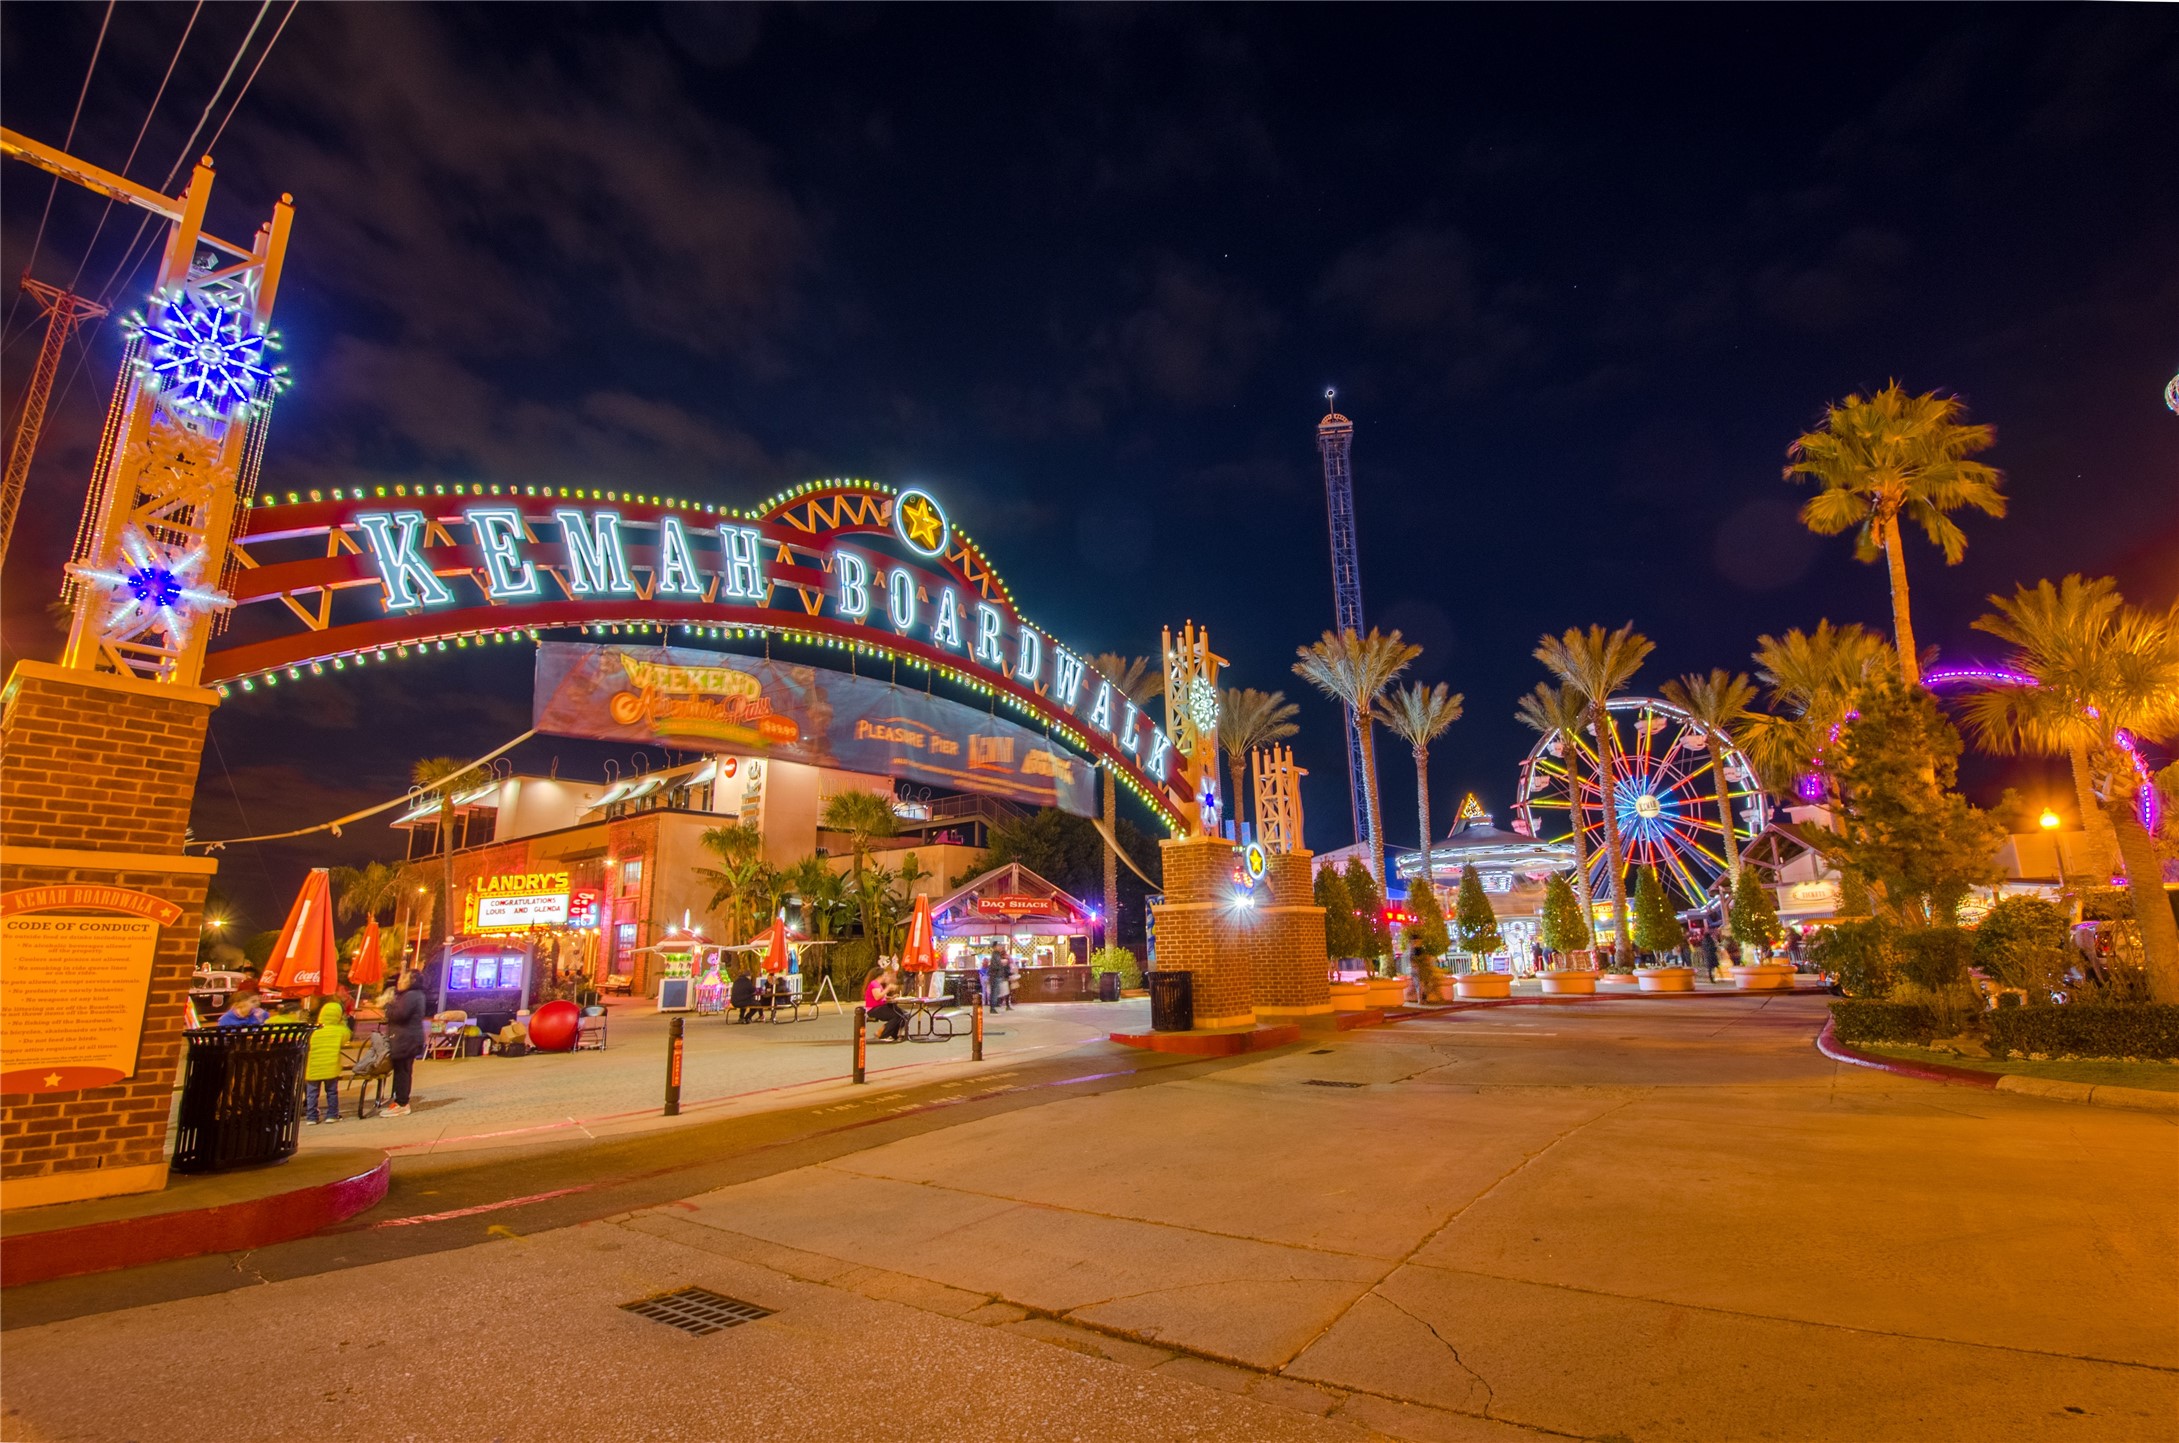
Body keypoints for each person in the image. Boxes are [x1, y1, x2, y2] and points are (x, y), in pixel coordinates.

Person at [380, 971, 427, 1117]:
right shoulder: (412, 995)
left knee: (403, 1072)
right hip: (406, 1039)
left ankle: (402, 1103)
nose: (399, 981)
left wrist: (387, 1005)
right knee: (401, 1071)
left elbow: (400, 1015)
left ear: (411, 980)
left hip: (407, 1040)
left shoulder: (412, 995)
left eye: (403, 978)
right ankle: (399, 1101)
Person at [304, 999, 350, 1124]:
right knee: (331, 1092)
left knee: (312, 1094)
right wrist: (342, 1022)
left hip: (313, 1068)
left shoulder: (312, 1031)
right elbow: (347, 1035)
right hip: (330, 1068)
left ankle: (311, 1117)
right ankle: (332, 1115)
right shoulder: (339, 1031)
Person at [863, 966, 905, 1042]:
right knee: (896, 1016)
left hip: (880, 1006)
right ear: (880, 976)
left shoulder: (878, 985)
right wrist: (887, 989)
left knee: (902, 1014)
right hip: (874, 1009)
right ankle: (884, 1034)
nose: (886, 977)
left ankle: (894, 1034)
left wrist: (891, 998)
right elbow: (877, 997)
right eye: (885, 975)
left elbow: (882, 997)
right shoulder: (874, 984)